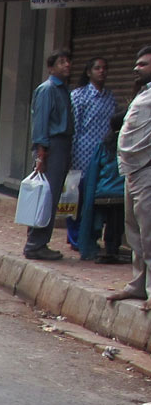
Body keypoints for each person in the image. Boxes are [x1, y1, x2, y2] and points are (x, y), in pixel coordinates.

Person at [109, 45, 151, 306]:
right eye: (137, 63)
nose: (137, 68)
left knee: (148, 233)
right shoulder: (143, 94)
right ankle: (138, 285)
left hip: (147, 171)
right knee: (134, 231)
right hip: (131, 171)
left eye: (143, 64)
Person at [25, 49, 75, 260]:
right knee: (45, 197)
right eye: (61, 62)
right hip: (51, 148)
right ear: (51, 67)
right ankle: (35, 244)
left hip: (62, 146)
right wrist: (41, 154)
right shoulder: (47, 90)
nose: (67, 65)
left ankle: (40, 242)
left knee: (51, 198)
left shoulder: (63, 90)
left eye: (68, 61)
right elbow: (41, 123)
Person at [68, 57, 117, 252]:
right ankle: (75, 238)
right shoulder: (78, 96)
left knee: (95, 200)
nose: (101, 71)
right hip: (81, 156)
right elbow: (73, 127)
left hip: (103, 157)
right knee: (77, 199)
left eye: (105, 68)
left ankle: (90, 236)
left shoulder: (110, 97)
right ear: (89, 72)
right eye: (97, 68)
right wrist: (70, 157)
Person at [78, 115, 126, 263]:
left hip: (101, 192)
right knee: (117, 220)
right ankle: (112, 250)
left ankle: (109, 248)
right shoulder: (128, 144)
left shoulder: (103, 144)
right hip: (120, 193)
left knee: (111, 218)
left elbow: (94, 171)